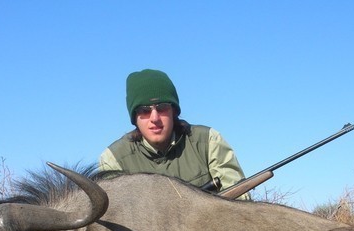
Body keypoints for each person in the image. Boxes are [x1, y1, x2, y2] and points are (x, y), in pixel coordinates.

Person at [99, 69, 250, 199]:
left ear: (174, 111)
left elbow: (240, 202)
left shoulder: (209, 140)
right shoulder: (113, 159)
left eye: (162, 107)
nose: (154, 118)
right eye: (144, 111)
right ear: (134, 118)